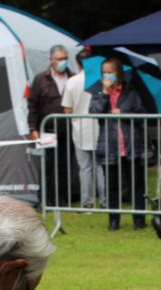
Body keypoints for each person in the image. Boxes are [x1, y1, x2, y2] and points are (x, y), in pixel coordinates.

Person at [88, 57, 149, 231]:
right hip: (109, 146)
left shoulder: (131, 92)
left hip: (131, 147)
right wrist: (105, 94)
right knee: (112, 186)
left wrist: (124, 112)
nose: (107, 75)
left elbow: (142, 113)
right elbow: (94, 113)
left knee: (137, 185)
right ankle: (113, 220)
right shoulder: (98, 94)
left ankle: (139, 220)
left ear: (119, 73)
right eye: (105, 72)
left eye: (111, 71)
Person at [27, 45, 72, 208]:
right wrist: (33, 128)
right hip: (46, 129)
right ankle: (44, 199)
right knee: (46, 165)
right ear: (51, 60)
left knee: (64, 165)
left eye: (65, 58)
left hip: (67, 130)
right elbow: (32, 105)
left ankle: (62, 199)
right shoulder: (40, 79)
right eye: (59, 59)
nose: (63, 62)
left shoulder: (72, 77)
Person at [61, 49, 105, 211]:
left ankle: (87, 202)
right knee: (100, 167)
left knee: (84, 168)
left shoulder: (72, 82)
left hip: (80, 129)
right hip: (100, 128)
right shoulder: (101, 80)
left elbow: (67, 109)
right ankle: (105, 200)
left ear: (78, 63)